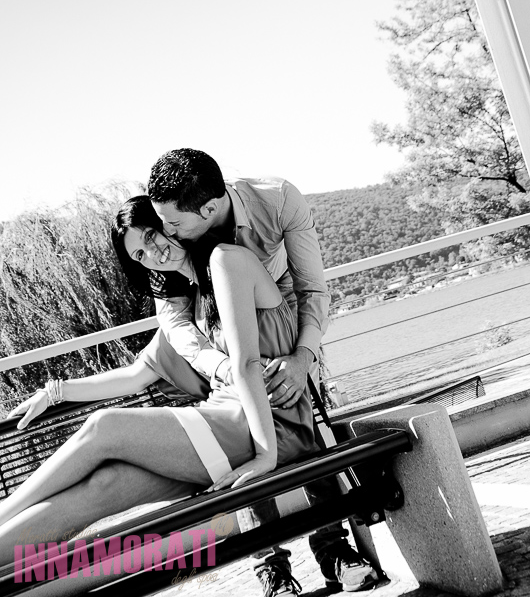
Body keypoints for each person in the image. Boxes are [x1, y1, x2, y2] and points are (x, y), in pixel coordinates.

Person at [0, 197, 315, 578]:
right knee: (105, 484)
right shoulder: (189, 308)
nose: (153, 253)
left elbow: (248, 365)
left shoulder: (228, 262)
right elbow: (136, 375)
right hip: (235, 425)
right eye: (139, 254)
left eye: (151, 235)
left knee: (104, 426)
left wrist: (265, 457)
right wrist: (54, 392)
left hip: (268, 425)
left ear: (170, 223)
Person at [146, 148, 378, 596]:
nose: (165, 233)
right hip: (218, 346)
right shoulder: (172, 224)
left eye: (174, 225)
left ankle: (334, 550)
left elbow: (312, 288)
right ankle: (270, 566)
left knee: (303, 432)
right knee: (244, 446)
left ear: (209, 208)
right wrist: (222, 368)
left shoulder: (278, 200)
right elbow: (173, 320)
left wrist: (303, 357)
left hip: (280, 333)